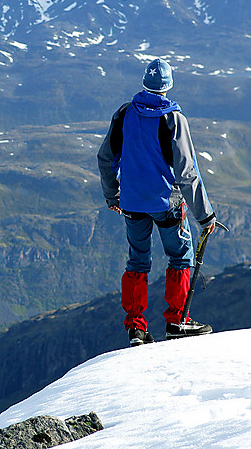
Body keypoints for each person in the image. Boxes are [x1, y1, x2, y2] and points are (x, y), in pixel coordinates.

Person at [97, 58, 218, 347]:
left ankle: (136, 329)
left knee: (137, 261)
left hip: (131, 203)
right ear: (169, 85)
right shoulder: (174, 119)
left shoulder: (125, 113)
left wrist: (112, 194)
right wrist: (206, 216)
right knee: (180, 256)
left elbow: (105, 158)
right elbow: (187, 173)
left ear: (144, 82)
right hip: (167, 204)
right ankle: (178, 321)